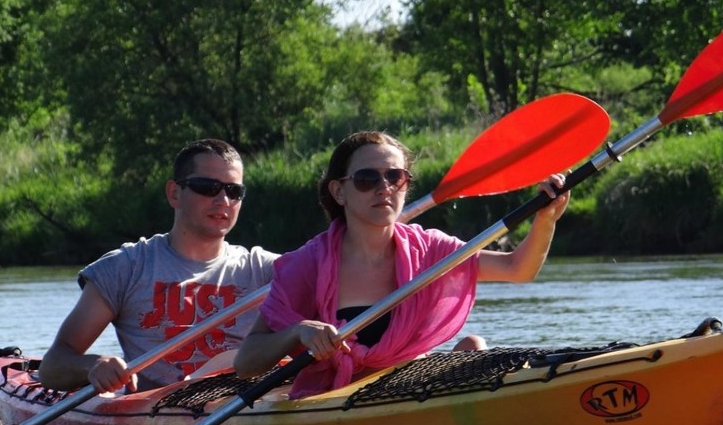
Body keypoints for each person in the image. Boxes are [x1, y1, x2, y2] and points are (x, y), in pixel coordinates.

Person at [234, 131, 569, 398]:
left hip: (410, 387)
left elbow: (517, 268)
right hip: (335, 398)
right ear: (339, 191)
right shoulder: (307, 264)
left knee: (474, 347)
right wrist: (297, 331)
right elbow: (247, 362)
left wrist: (545, 220)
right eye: (367, 179)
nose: (384, 188)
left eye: (395, 177)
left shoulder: (430, 250)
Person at [38, 139, 278, 394]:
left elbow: (321, 263)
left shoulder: (265, 270)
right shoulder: (125, 268)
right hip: (153, 412)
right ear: (174, 193)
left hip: (241, 402)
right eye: (207, 187)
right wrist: (93, 366)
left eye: (234, 191)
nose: (223, 200)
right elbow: (52, 367)